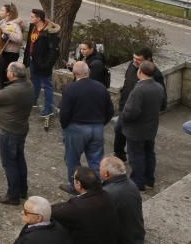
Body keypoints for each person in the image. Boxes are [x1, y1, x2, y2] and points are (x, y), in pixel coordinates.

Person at [58, 60, 113, 194]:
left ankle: (75, 186)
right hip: (97, 128)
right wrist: (100, 123)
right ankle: (97, 187)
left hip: (76, 128)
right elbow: (110, 111)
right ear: (88, 72)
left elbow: (64, 113)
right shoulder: (101, 87)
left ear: (74, 73)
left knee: (72, 160)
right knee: (96, 160)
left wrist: (66, 127)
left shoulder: (70, 89)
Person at [0, 62, 34, 205]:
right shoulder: (28, 84)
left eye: (8, 70)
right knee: (19, 160)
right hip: (20, 128)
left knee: (9, 163)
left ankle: (13, 195)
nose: (6, 71)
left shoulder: (14, 90)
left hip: (10, 131)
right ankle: (22, 190)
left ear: (12, 74)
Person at [120, 59, 165, 191]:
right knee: (149, 153)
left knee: (136, 156)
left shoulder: (139, 89)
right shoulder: (159, 87)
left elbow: (131, 112)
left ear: (140, 71)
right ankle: (149, 181)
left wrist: (123, 117)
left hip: (136, 130)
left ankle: (137, 183)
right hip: (151, 128)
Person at [115, 48, 166, 162]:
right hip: (125, 106)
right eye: (134, 58)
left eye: (138, 59)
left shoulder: (155, 74)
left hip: (138, 114)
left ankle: (141, 173)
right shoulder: (132, 65)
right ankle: (119, 153)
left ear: (148, 60)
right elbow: (127, 82)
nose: (135, 61)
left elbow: (162, 95)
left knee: (139, 147)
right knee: (118, 130)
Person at [51, 166, 120, 243]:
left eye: (73, 178)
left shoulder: (77, 206)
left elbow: (52, 211)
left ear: (78, 184)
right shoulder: (107, 195)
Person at [22, 9, 60, 118]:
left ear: (39, 18)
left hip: (43, 63)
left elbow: (54, 51)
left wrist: (46, 64)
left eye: (33, 17)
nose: (31, 18)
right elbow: (29, 44)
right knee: (35, 82)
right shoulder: (33, 27)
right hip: (33, 60)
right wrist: (26, 60)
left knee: (47, 85)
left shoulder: (49, 32)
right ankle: (33, 101)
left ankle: (49, 108)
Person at [99, 156, 145, 244]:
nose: (99, 170)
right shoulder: (132, 185)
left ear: (106, 173)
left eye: (100, 167)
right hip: (136, 236)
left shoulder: (107, 193)